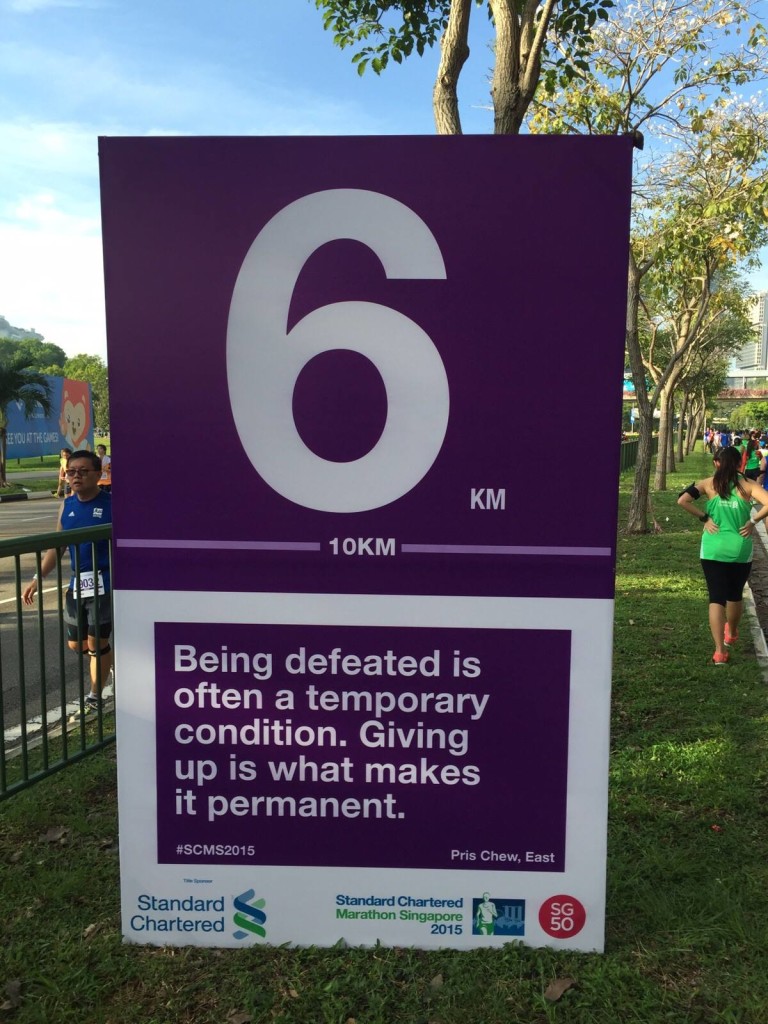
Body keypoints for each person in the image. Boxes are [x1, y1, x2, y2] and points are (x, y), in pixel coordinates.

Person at [23, 449, 112, 714]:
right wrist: (38, 578)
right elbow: (57, 547)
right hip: (78, 584)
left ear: (98, 474)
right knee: (78, 644)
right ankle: (106, 659)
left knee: (96, 643)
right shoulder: (67, 505)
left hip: (105, 583)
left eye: (83, 471)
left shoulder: (112, 504)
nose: (76, 476)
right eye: (71, 471)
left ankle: (96, 696)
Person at [678, 445, 768, 664]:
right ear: (740, 464)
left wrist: (704, 518)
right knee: (734, 594)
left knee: (716, 597)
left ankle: (719, 651)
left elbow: (682, 500)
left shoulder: (708, 484)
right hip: (739, 547)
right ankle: (732, 632)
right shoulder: (748, 485)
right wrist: (753, 521)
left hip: (712, 548)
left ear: (716, 463)